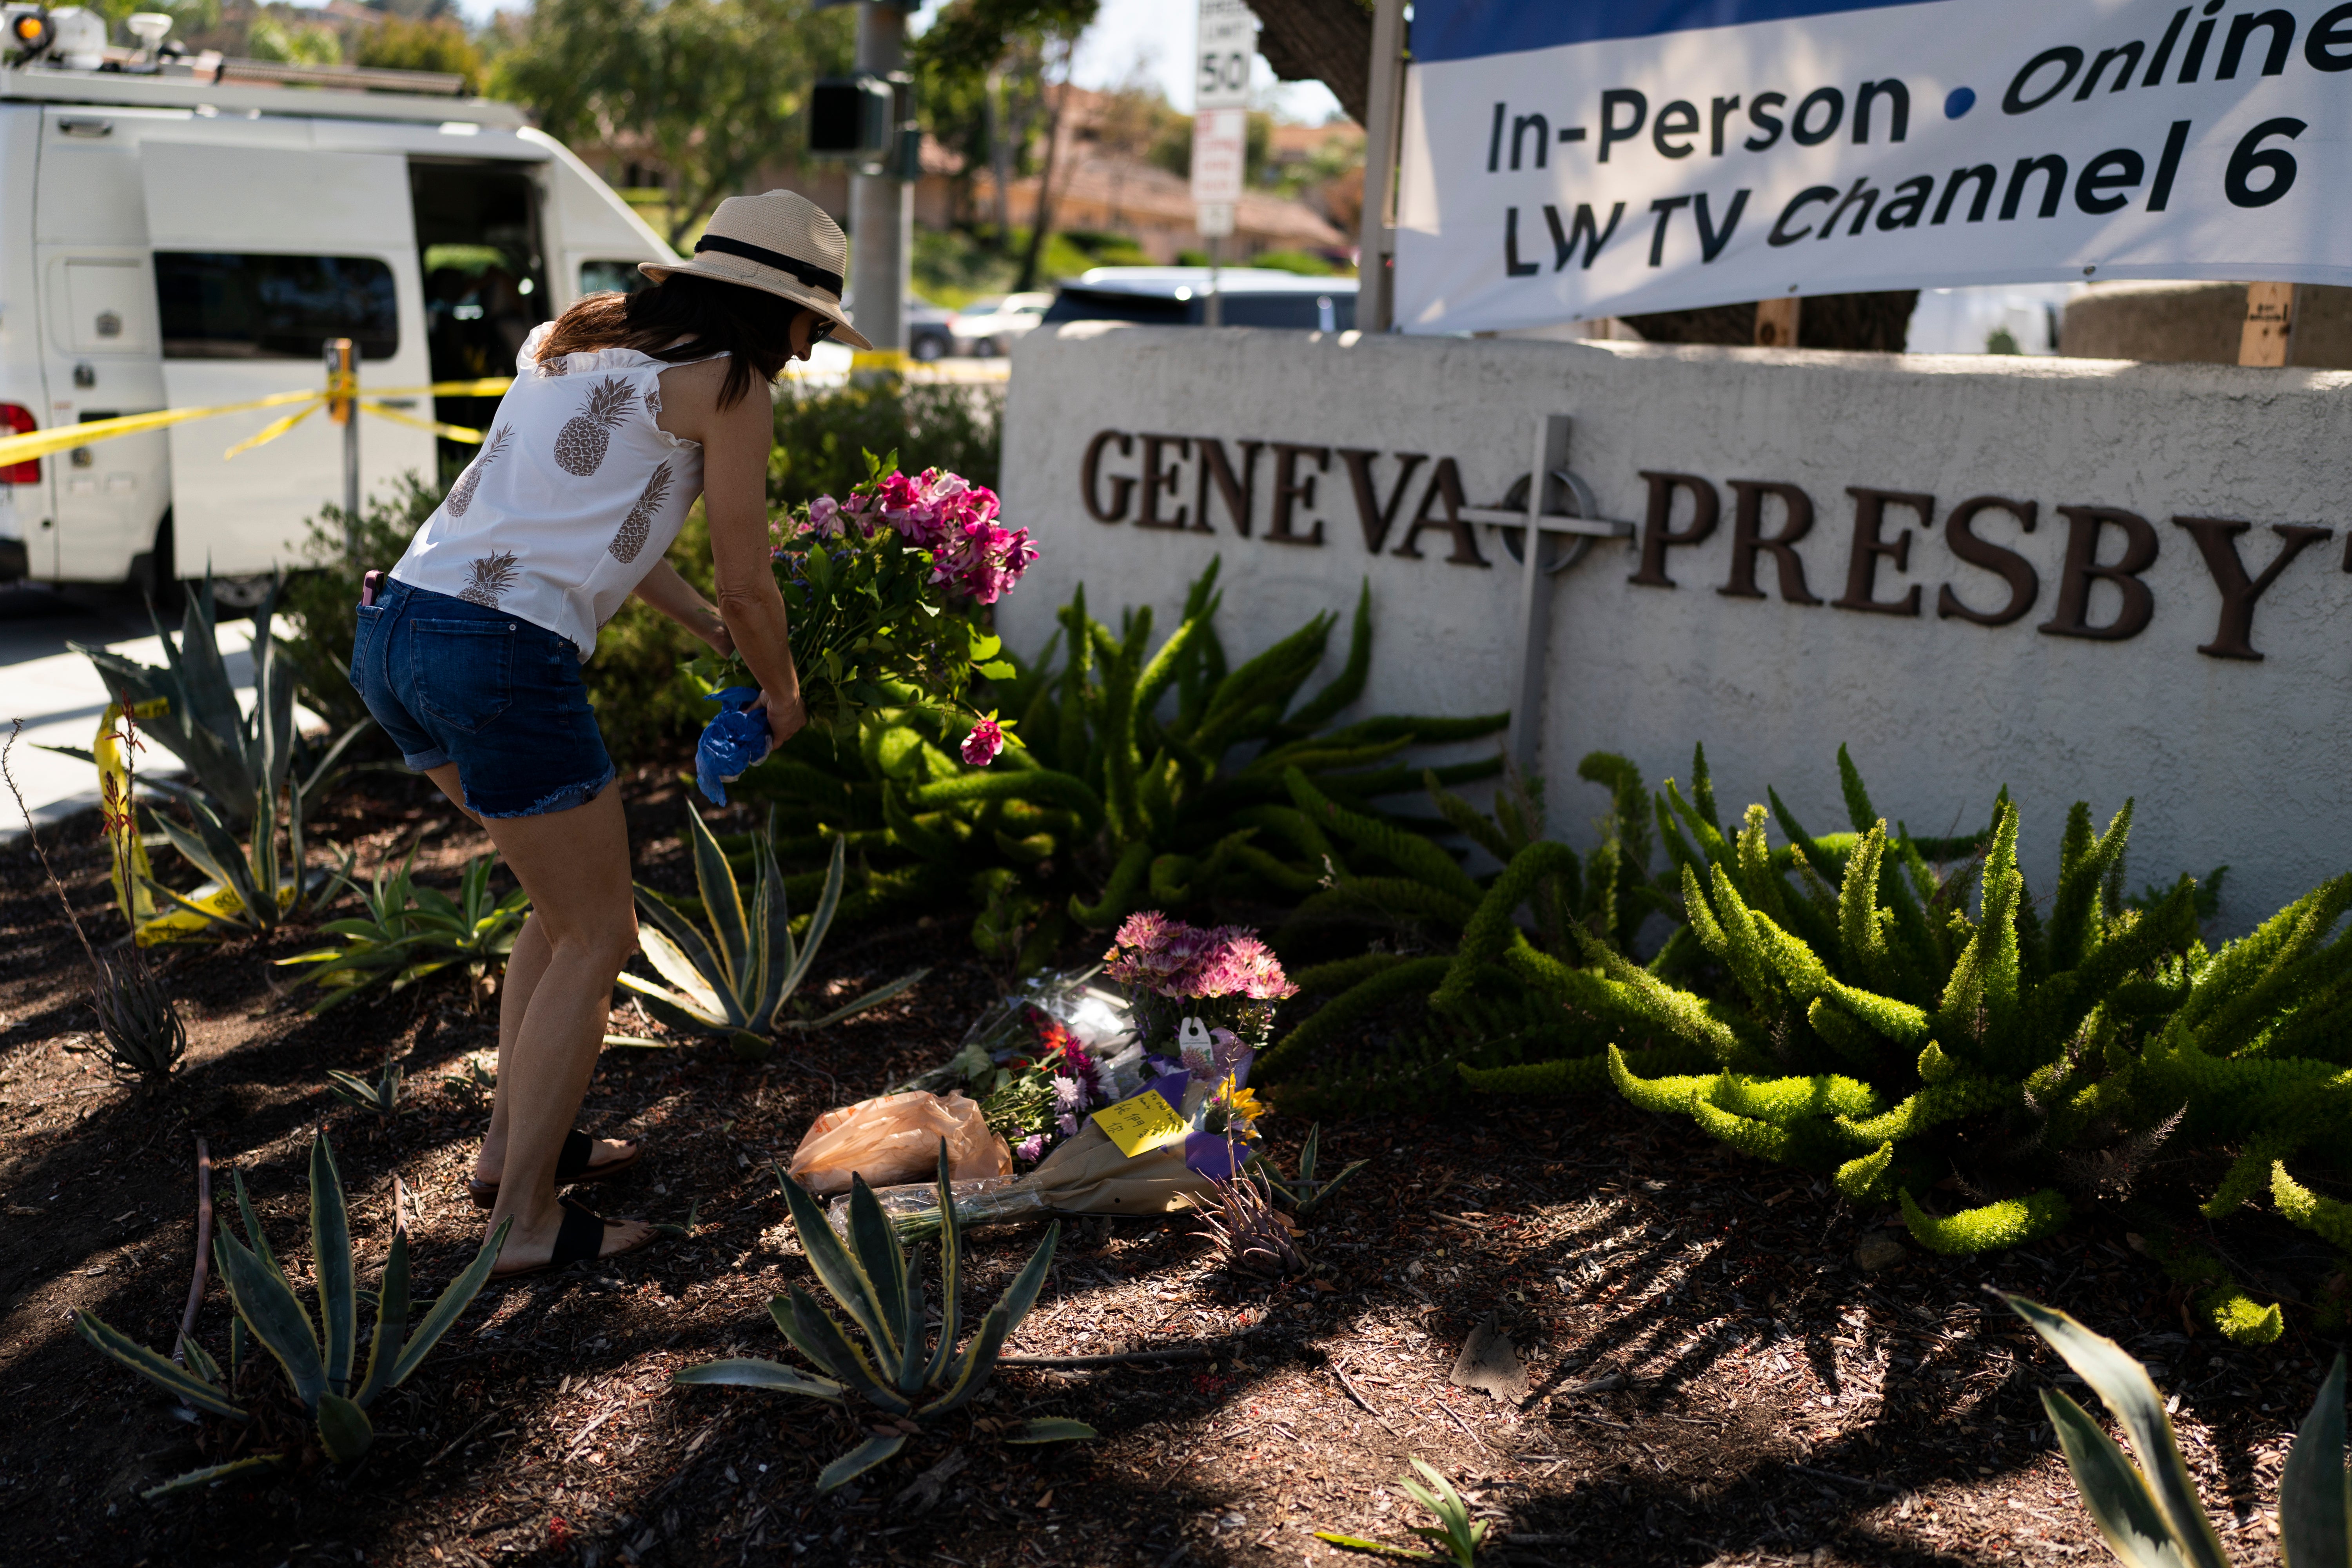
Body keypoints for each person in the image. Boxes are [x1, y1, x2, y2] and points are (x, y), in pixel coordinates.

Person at [348, 191, 872, 1279]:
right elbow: (748, 573)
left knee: (560, 912)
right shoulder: (733, 386)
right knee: (600, 938)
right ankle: (525, 1225)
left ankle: (510, 1152)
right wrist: (779, 690)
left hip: (397, 631)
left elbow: (593, 535)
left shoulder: (571, 341)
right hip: (496, 658)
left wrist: (709, 634)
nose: (816, 351)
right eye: (815, 325)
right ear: (771, 310)